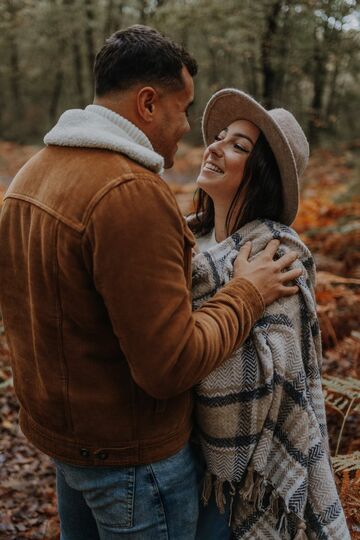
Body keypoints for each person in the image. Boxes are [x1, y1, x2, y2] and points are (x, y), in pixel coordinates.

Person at [0, 28, 302, 540]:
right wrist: (248, 292)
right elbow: (170, 365)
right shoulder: (130, 193)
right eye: (183, 109)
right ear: (147, 102)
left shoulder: (30, 176)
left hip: (69, 446)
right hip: (134, 464)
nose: (187, 129)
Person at [189, 89, 350, 539]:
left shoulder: (277, 254)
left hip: (241, 481)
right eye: (219, 137)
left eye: (238, 145)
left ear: (263, 175)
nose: (215, 147)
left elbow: (259, 385)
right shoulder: (187, 243)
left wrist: (239, 295)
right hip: (180, 464)